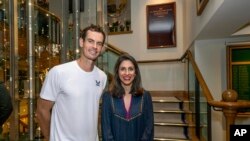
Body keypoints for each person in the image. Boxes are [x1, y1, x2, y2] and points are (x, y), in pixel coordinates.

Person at [36, 24, 107, 141]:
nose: (94, 46)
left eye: (99, 43)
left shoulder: (102, 77)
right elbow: (42, 110)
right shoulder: (59, 72)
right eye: (90, 41)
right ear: (81, 42)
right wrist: (50, 137)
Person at [101, 54, 154, 141]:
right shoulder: (107, 97)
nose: (127, 73)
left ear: (135, 72)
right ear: (117, 72)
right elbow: (106, 132)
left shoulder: (145, 97)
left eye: (130, 69)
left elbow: (149, 130)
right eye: (123, 69)